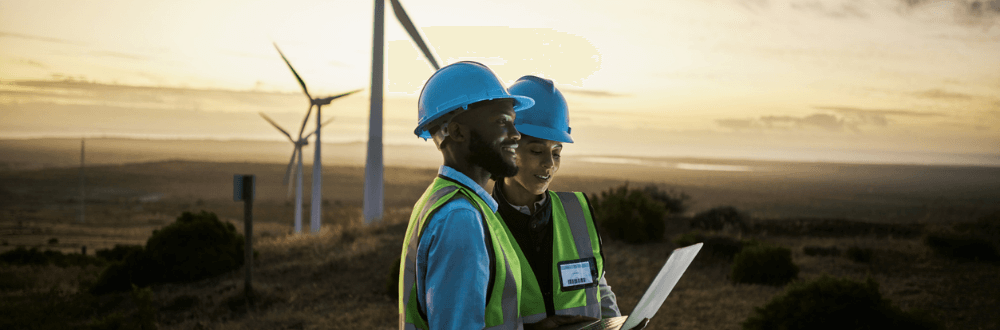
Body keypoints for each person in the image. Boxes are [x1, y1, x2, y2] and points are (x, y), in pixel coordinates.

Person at [397, 61, 535, 330]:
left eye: (513, 123)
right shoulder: (460, 217)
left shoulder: (446, 201)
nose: (516, 135)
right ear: (458, 131)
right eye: (502, 122)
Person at [492, 76, 637, 330]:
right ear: (507, 146)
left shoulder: (576, 211)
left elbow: (599, 289)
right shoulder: (479, 221)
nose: (549, 164)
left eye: (556, 152)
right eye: (536, 151)